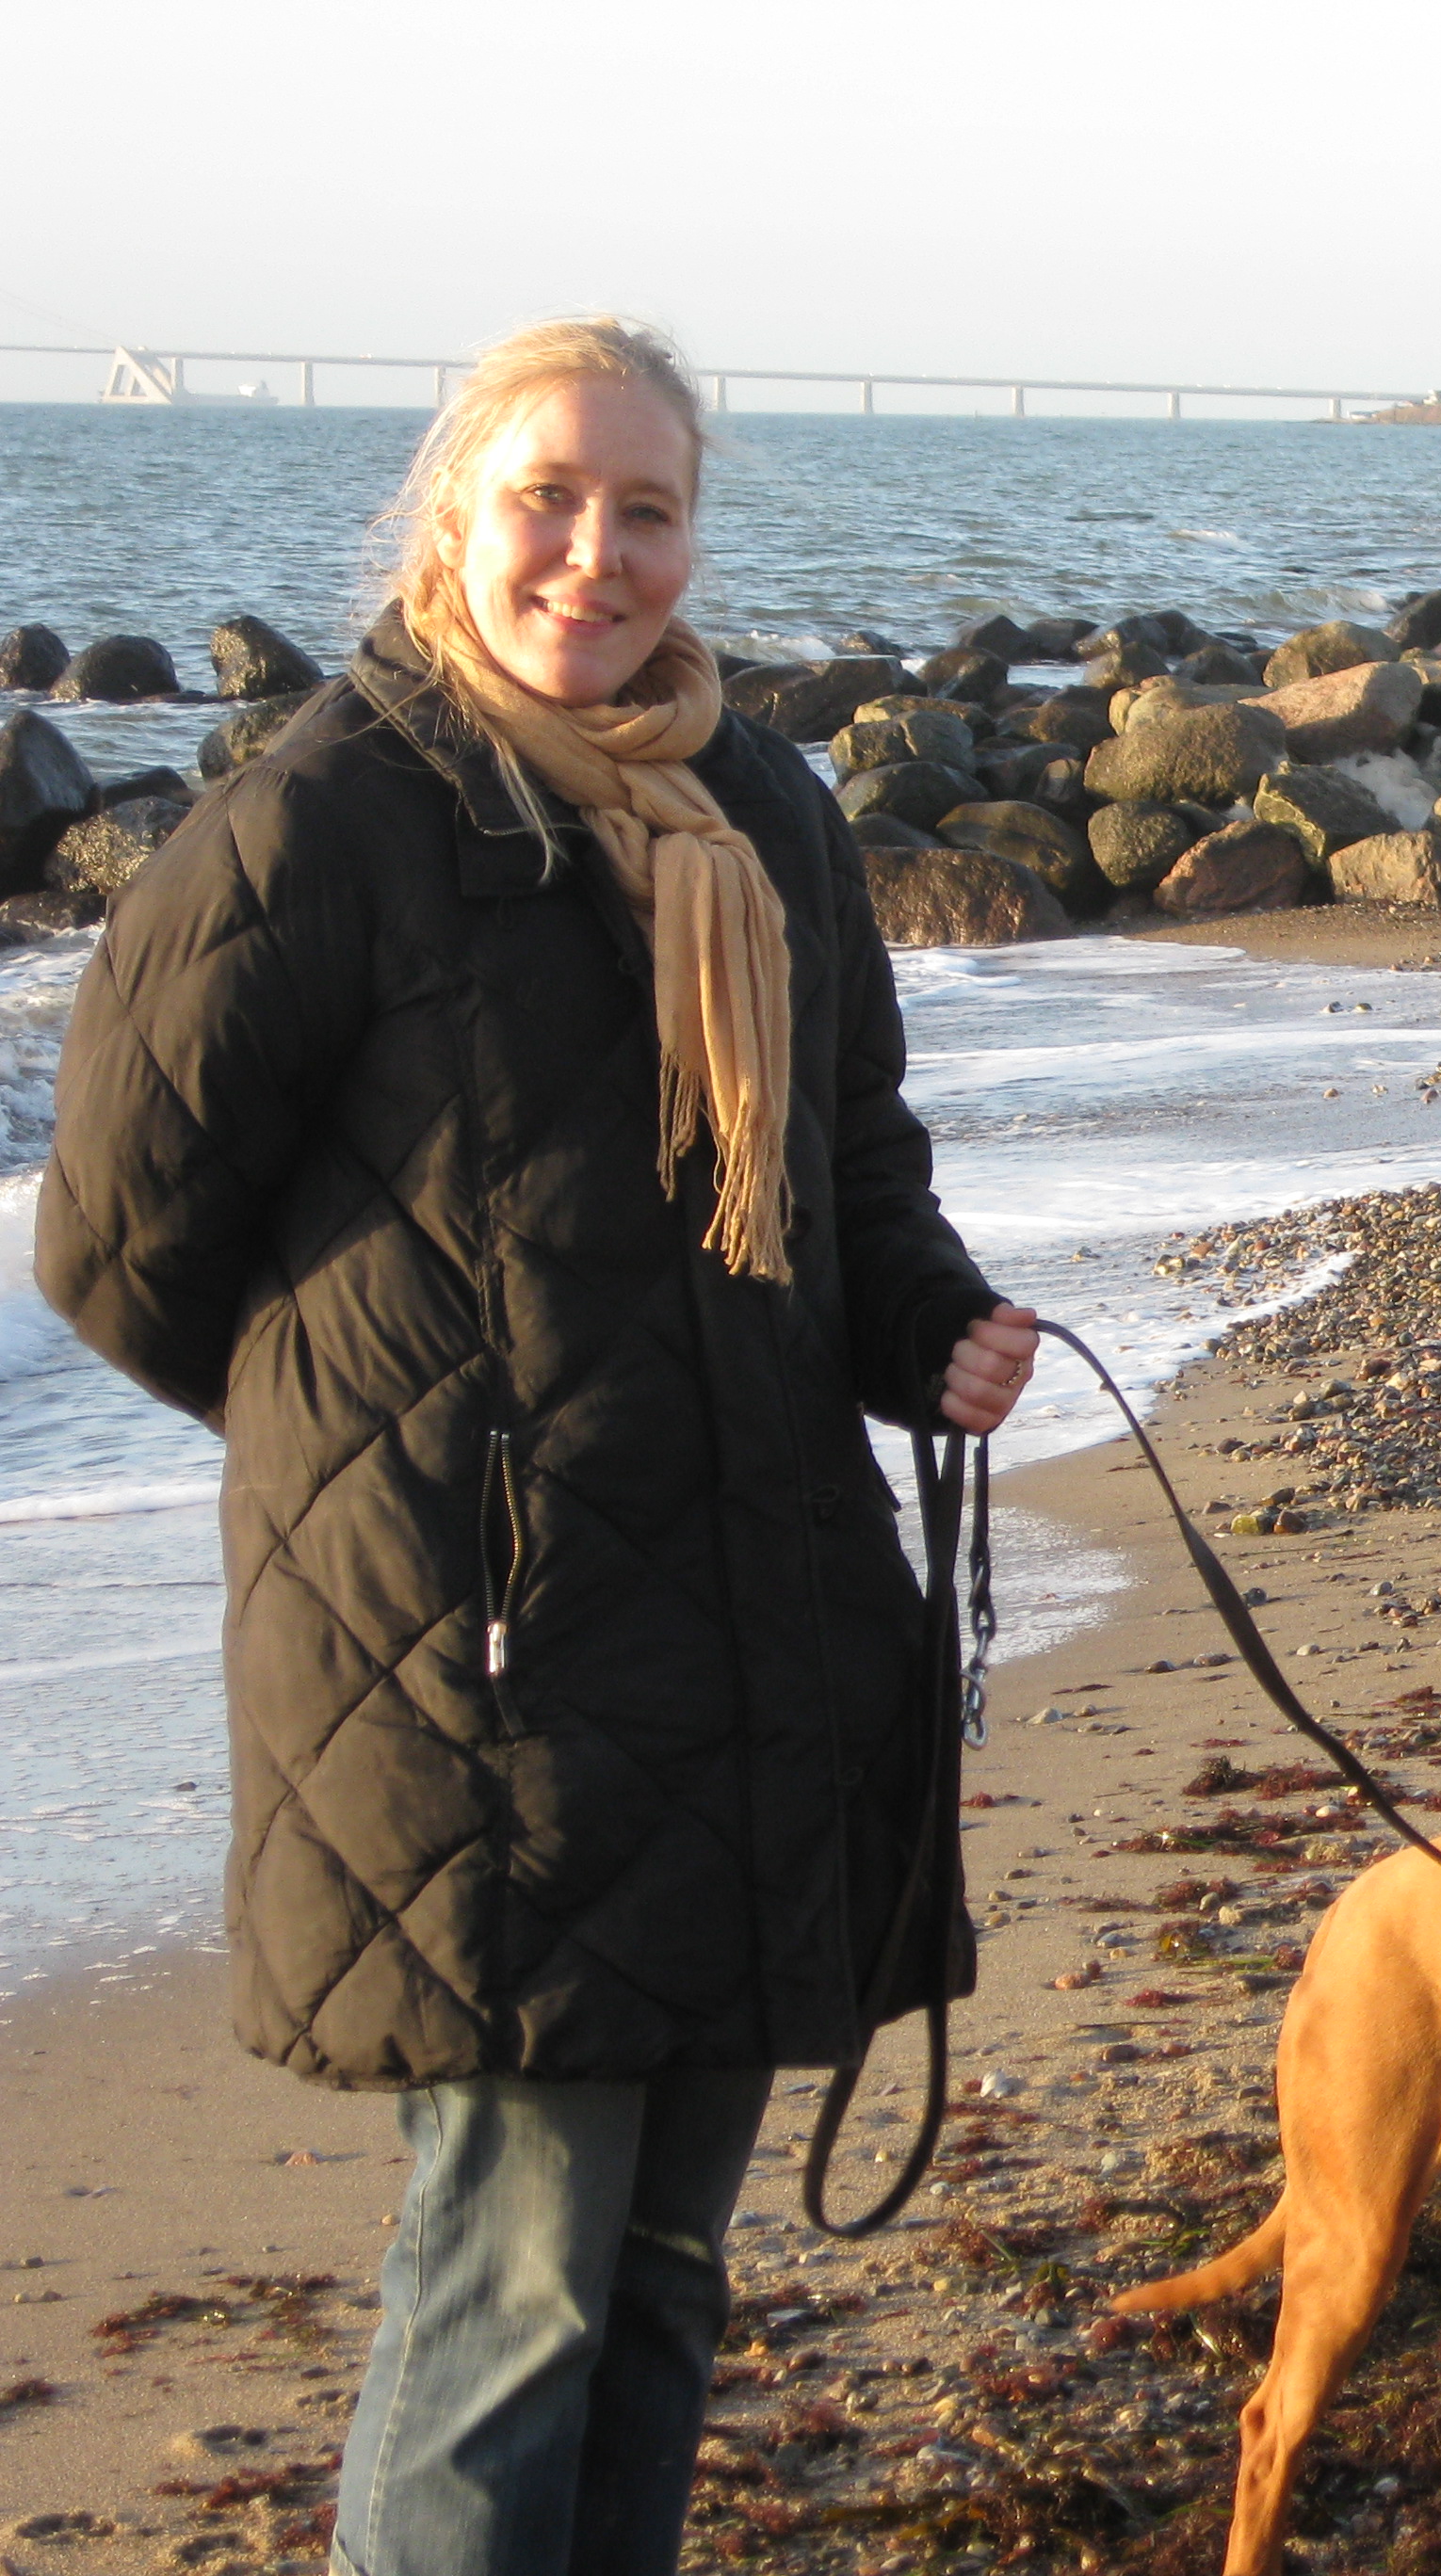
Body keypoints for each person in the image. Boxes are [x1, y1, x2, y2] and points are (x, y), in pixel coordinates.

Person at [37, 317, 1040, 2576]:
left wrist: (938, 1329)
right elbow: (114, 1246)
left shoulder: (763, 810)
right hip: (481, 1669)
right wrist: (395, 1462)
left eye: (647, 510)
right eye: (548, 503)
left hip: (761, 1617)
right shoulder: (315, 826)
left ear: (695, 529)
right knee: (509, 2287)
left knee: (668, 2275)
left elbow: (848, 1172)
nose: (597, 556)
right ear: (451, 514)